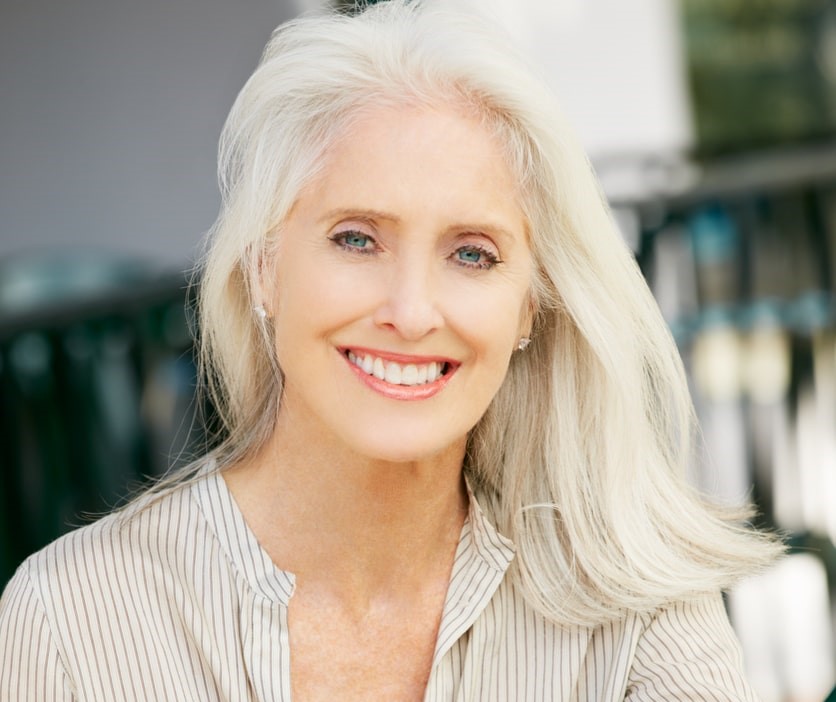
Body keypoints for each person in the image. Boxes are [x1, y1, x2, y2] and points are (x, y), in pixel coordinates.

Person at [0, 1, 781, 699]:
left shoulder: (633, 613)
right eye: (356, 238)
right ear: (264, 269)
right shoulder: (69, 623)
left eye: (472, 253)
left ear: (529, 308)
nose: (410, 313)